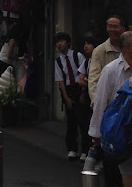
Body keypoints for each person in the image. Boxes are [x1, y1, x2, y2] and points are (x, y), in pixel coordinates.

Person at [88, 31, 132, 187]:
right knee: (114, 177)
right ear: (128, 47)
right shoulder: (111, 70)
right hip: (115, 132)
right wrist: (96, 134)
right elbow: (100, 102)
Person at [54, 32, 87, 161]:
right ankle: (72, 149)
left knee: (83, 120)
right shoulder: (58, 61)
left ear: (68, 43)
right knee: (71, 120)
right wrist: (66, 97)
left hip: (79, 87)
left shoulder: (77, 56)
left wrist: (83, 92)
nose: (59, 44)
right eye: (57, 42)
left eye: (61, 41)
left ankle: (85, 150)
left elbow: (84, 73)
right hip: (68, 90)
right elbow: (61, 81)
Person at [88, 15, 126, 105]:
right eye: (109, 26)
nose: (112, 30)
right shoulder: (99, 51)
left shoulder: (128, 48)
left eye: (115, 27)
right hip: (109, 103)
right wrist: (96, 103)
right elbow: (93, 79)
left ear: (123, 29)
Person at [77, 37, 97, 161]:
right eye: (85, 44)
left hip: (96, 95)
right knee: (84, 123)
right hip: (87, 96)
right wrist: (87, 81)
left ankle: (94, 151)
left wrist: (87, 81)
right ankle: (85, 150)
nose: (86, 46)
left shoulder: (98, 61)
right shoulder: (86, 62)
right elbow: (80, 80)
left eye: (89, 44)